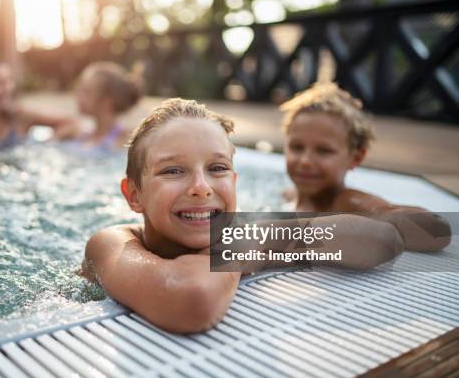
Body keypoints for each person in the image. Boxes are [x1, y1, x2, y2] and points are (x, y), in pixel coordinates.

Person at [81, 98, 406, 334]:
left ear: (234, 182)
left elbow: (382, 239)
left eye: (218, 168)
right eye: (174, 170)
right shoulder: (110, 244)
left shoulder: (247, 234)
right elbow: (192, 298)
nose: (201, 187)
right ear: (134, 195)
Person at [281, 82, 450, 252]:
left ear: (356, 157)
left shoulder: (349, 203)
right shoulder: (289, 195)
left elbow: (436, 231)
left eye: (324, 151)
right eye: (296, 147)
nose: (305, 161)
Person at [56, 61, 144, 154]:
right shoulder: (78, 134)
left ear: (106, 102)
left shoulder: (125, 141)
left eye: (85, 91)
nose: (77, 95)